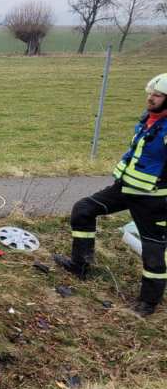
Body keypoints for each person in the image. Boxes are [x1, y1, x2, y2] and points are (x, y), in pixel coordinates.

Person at [55, 74, 167, 316]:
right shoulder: (149, 119)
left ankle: (148, 302)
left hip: (153, 198)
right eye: (150, 93)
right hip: (125, 188)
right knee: (83, 209)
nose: (151, 98)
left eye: (157, 95)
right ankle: (80, 265)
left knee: (154, 250)